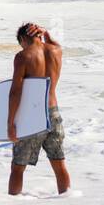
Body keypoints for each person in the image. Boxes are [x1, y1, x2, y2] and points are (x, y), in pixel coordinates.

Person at [7, 23, 70, 195]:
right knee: (59, 164)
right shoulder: (56, 50)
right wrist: (47, 34)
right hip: (53, 112)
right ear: (39, 34)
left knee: (18, 167)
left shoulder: (23, 56)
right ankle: (68, 199)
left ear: (22, 39)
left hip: (32, 116)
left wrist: (10, 122)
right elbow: (54, 43)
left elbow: (15, 92)